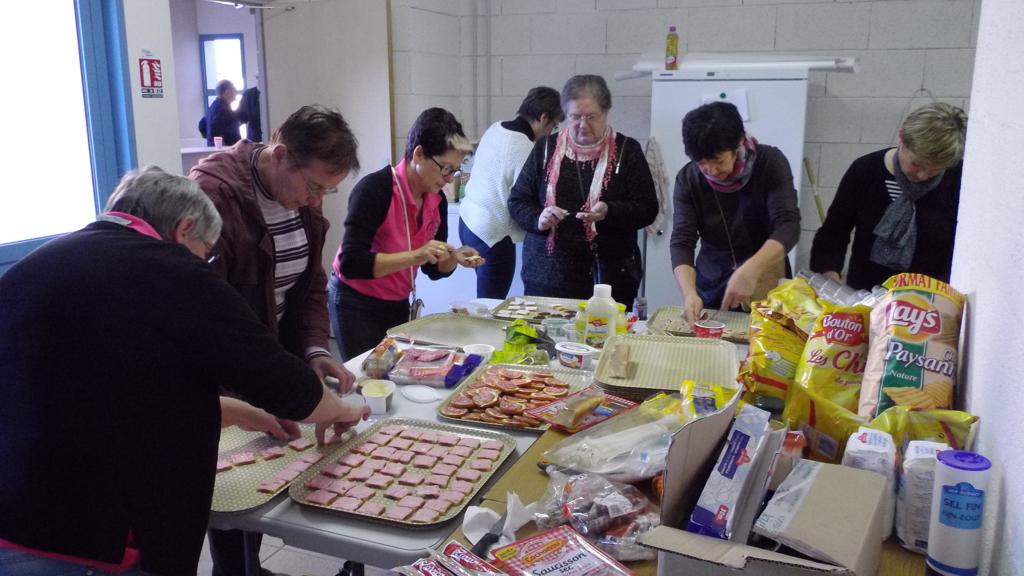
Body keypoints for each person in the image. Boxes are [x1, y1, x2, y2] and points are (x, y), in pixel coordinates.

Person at [0, 168, 369, 576]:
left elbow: (125, 393)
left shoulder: (36, 267)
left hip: (12, 520)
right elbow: (280, 379)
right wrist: (342, 410)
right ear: (184, 229)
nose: (206, 263)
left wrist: (253, 415)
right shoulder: (172, 272)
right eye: (207, 251)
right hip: (93, 540)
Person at [190, 104, 360, 576]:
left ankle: (250, 564)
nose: (315, 199)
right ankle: (234, 569)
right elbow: (209, 314)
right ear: (280, 155)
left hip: (272, 355)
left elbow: (309, 282)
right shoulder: (215, 194)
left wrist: (314, 348)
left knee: (267, 468)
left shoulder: (303, 194)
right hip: (229, 364)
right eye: (313, 186)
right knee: (230, 483)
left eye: (327, 190)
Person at [330, 107, 483, 360]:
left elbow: (433, 271)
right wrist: (415, 255)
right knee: (367, 380)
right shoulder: (375, 190)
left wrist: (451, 258)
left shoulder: (437, 200)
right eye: (445, 168)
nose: (448, 179)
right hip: (355, 301)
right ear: (419, 154)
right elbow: (351, 263)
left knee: (393, 376)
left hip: (397, 301)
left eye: (454, 171)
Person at [507, 75, 657, 307]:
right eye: (575, 117)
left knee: (606, 340)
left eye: (591, 117)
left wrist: (609, 210)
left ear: (606, 113)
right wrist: (539, 218)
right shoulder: (545, 148)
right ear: (565, 115)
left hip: (608, 278)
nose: (583, 125)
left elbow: (648, 209)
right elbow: (517, 200)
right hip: (547, 276)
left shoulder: (627, 151)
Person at [810, 102, 967, 289]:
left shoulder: (959, 179)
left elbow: (965, 247)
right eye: (916, 164)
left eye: (934, 170)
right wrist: (831, 281)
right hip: (865, 294)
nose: (923, 175)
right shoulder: (866, 170)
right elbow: (833, 233)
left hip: (931, 299)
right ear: (901, 138)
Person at [670, 101, 800, 322]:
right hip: (712, 284)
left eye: (717, 161)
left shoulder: (770, 163)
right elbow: (682, 240)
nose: (710, 171)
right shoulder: (689, 179)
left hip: (766, 278)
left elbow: (788, 225)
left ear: (738, 143)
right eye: (701, 163)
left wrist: (751, 270)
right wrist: (689, 293)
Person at [458, 86, 564, 299]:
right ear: (543, 118)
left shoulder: (496, 128)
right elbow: (528, 199)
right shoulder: (525, 148)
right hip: (492, 236)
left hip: (468, 223)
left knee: (483, 302)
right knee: (490, 306)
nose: (550, 132)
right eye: (553, 125)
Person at [203, 79, 242, 147]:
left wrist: (210, 141)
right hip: (226, 150)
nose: (236, 96)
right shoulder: (222, 109)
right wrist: (221, 146)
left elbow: (201, 125)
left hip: (221, 149)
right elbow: (214, 130)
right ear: (227, 92)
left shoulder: (213, 106)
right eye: (234, 92)